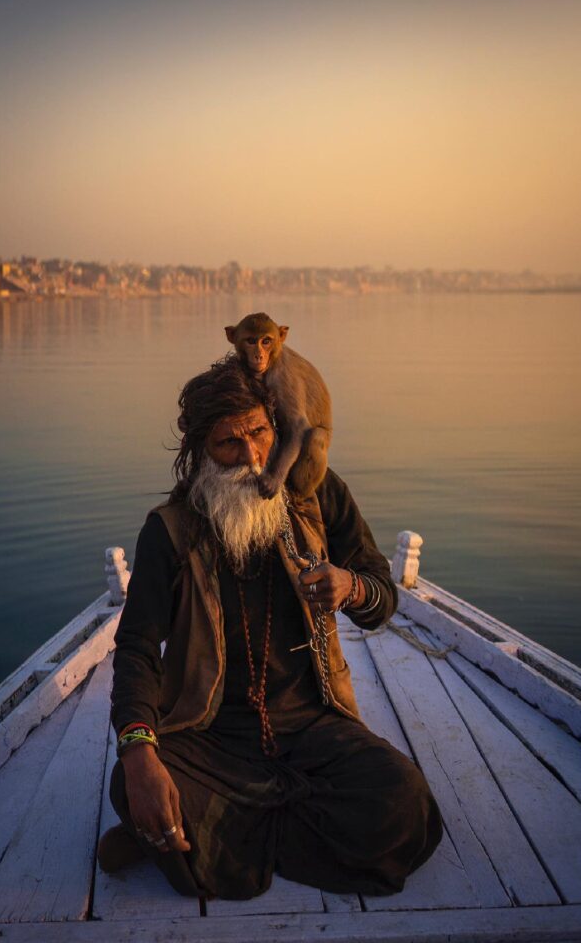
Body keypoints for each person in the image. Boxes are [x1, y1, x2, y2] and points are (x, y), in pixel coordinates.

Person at [99, 357, 443, 899]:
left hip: (312, 725)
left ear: (277, 428)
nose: (252, 457)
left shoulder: (320, 498)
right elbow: (138, 648)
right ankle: (238, 822)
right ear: (199, 454)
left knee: (404, 804)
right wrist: (138, 750)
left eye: (259, 433)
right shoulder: (170, 531)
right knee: (130, 782)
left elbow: (381, 596)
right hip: (209, 735)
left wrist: (350, 587)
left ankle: (213, 836)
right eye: (228, 444)